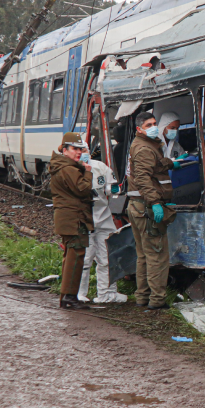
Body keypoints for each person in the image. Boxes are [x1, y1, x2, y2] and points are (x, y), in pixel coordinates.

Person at [127, 111, 183, 310]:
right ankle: (157, 300)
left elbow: (156, 164)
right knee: (157, 255)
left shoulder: (147, 145)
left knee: (143, 254)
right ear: (139, 129)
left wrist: (171, 163)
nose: (153, 127)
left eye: (154, 123)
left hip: (137, 206)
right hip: (147, 207)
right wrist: (155, 202)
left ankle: (142, 296)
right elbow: (142, 178)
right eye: (148, 124)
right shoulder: (143, 148)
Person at [49, 132, 94, 310]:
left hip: (68, 217)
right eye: (75, 149)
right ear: (65, 150)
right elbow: (82, 189)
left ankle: (67, 295)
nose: (78, 152)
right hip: (74, 218)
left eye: (80, 149)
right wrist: (88, 173)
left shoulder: (63, 166)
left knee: (71, 257)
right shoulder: (68, 168)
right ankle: (69, 297)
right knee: (75, 257)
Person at [76, 151, 127, 303]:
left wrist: (113, 189)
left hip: (103, 218)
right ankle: (79, 293)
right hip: (84, 220)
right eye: (79, 151)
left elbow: (112, 188)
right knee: (85, 258)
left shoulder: (100, 167)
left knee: (107, 257)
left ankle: (107, 293)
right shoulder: (70, 171)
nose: (82, 154)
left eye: (84, 150)